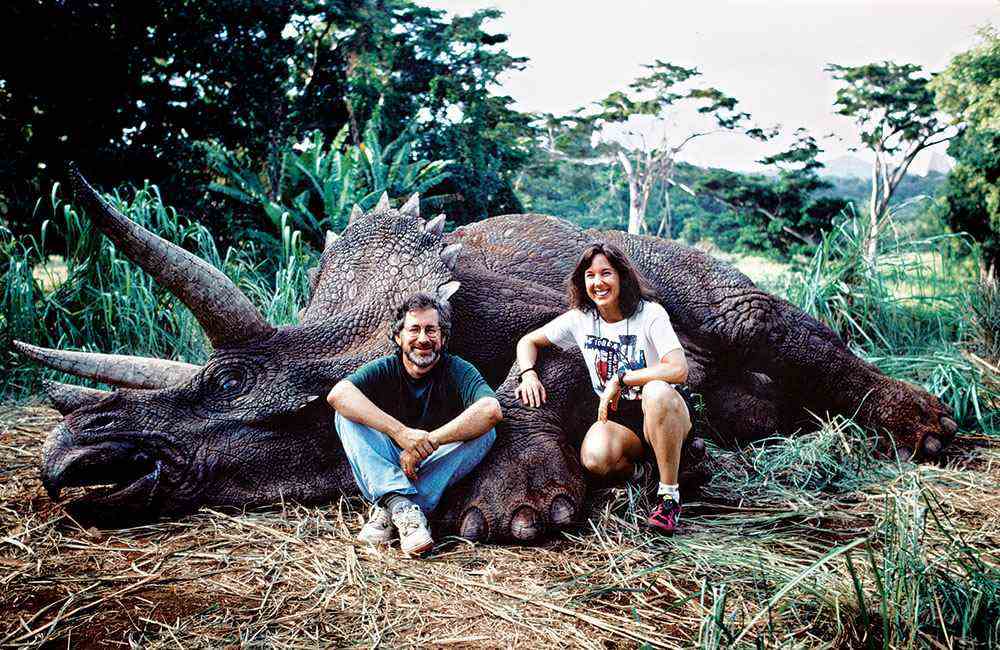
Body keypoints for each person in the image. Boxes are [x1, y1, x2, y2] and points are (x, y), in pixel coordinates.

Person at [515, 242, 692, 533]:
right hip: (619, 418)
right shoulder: (580, 319)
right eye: (590, 275)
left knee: (656, 391)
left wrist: (621, 380)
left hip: (663, 408)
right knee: (594, 458)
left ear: (622, 276)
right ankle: (647, 475)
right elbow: (528, 342)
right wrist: (529, 374)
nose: (598, 282)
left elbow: (678, 369)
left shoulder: (650, 314)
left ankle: (668, 497)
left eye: (606, 273)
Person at [327, 292, 502, 555]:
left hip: (430, 463)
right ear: (399, 337)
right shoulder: (385, 367)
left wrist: (426, 443)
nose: (423, 339)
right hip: (386, 463)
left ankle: (390, 507)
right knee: (346, 416)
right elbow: (338, 395)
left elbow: (491, 410)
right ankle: (403, 507)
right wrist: (400, 433)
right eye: (414, 329)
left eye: (431, 330)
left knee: (486, 433)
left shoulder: (458, 369)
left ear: (442, 337)